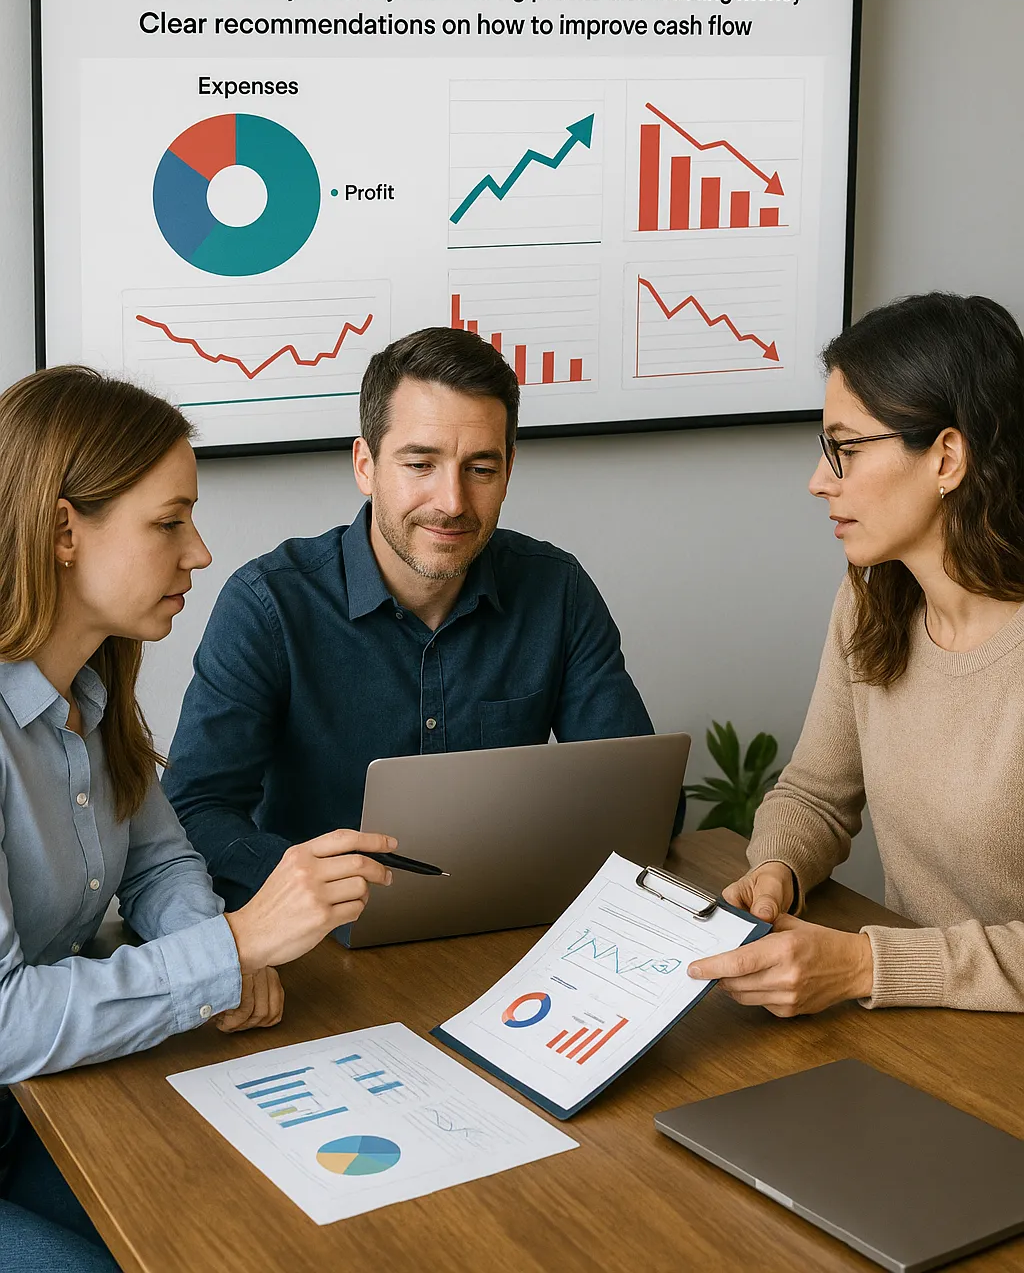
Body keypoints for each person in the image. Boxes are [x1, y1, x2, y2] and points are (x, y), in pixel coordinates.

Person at [0, 368, 395, 1270]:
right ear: (65, 530)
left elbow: (157, 861)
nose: (201, 552)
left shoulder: (93, 692)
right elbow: (5, 1018)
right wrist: (232, 947)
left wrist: (213, 940)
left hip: (35, 1110)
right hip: (22, 1090)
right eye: (168, 522)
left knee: (245, 1218)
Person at [165, 326, 655, 909]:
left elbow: (638, 805)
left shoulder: (558, 591)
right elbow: (195, 812)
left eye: (480, 469)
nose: (451, 501)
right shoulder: (268, 604)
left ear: (509, 469)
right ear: (365, 465)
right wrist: (313, 883)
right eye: (421, 464)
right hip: (321, 937)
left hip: (500, 922)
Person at [687, 292, 1024, 1015]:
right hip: (923, 1027)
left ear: (946, 457)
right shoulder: (873, 604)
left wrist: (866, 964)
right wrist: (777, 867)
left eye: (845, 449)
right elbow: (815, 793)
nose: (818, 481)